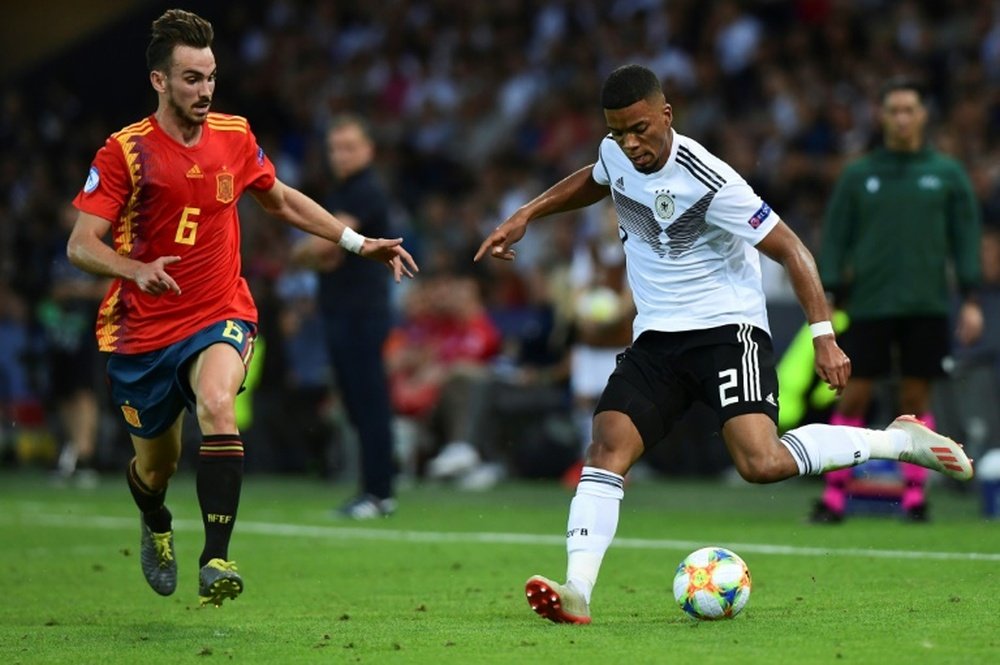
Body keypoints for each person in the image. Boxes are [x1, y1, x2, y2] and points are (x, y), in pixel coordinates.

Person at [474, 64, 974, 625]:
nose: (630, 143)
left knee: (760, 463)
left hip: (726, 330)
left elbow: (793, 251)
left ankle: (895, 442)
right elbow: (595, 177)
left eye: (639, 128)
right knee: (607, 446)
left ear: (666, 114)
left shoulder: (711, 180)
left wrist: (824, 337)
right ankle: (577, 590)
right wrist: (526, 214)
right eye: (618, 131)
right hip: (657, 338)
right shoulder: (616, 153)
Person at [67, 9, 417, 607]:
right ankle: (155, 522)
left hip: (218, 308)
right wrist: (136, 269)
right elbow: (80, 245)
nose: (205, 91)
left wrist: (357, 243)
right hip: (143, 328)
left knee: (218, 402)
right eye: (190, 79)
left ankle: (216, 558)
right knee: (156, 467)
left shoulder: (234, 133)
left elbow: (279, 200)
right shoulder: (124, 152)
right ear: (159, 81)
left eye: (209, 77)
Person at [809, 78, 983, 524]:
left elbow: (966, 238)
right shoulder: (858, 173)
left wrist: (970, 297)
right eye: (894, 110)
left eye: (909, 110)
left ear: (923, 116)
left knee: (914, 399)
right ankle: (833, 499)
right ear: (881, 116)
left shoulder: (946, 174)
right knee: (853, 397)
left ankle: (913, 499)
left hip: (926, 304)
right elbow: (835, 239)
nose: (902, 118)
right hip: (869, 304)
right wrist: (828, 294)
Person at [290, 114, 400, 518]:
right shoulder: (344, 191)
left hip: (361, 312)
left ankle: (379, 491)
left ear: (369, 150)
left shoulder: (364, 190)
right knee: (356, 404)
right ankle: (375, 486)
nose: (341, 155)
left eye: (350, 146)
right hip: (341, 311)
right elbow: (322, 250)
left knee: (368, 402)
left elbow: (321, 249)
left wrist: (308, 250)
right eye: (335, 147)